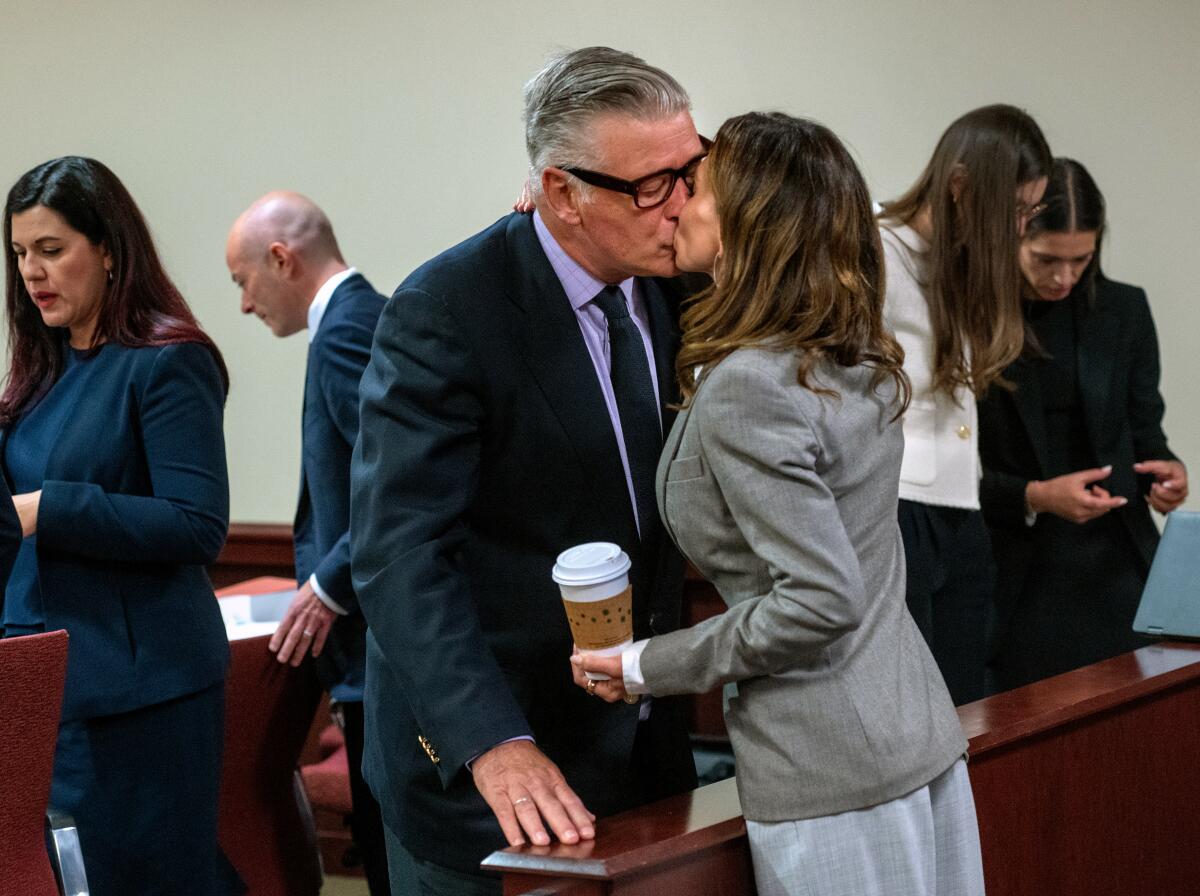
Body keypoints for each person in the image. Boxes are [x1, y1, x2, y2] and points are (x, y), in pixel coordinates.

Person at [573, 111, 983, 896]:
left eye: (696, 187)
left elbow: (818, 600)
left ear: (743, 226)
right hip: (911, 730)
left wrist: (642, 666)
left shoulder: (751, 384)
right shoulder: (846, 350)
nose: (677, 201)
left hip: (828, 762)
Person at [351, 46, 702, 894]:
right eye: (651, 185)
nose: (681, 206)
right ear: (560, 193)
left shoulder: (683, 283)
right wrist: (491, 743)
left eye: (691, 170)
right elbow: (399, 554)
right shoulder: (446, 311)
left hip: (647, 752)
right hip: (499, 768)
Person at [1, 156, 239, 895]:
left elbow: (197, 524)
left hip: (142, 694)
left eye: (51, 249)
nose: (31, 272)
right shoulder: (41, 369)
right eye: (18, 254)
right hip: (44, 679)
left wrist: (48, 508)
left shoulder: (167, 362)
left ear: (107, 248)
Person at [226, 191, 389, 893]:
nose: (243, 303)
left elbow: (392, 485)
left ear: (282, 259)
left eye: (242, 280)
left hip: (374, 647)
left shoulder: (348, 330)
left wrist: (327, 584)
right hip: (371, 650)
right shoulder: (361, 319)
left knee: (387, 855)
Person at [980, 158, 1188, 692]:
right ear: (1012, 237)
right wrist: (1034, 496)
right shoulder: (978, 318)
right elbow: (956, 476)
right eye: (1047, 259)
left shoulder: (1125, 309)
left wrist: (1168, 474)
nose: (1064, 278)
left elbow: (1146, 429)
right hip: (1017, 571)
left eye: (1081, 260)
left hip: (1118, 558)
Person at [877, 105, 1053, 704]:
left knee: (964, 706)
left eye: (1032, 211)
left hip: (960, 508)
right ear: (959, 187)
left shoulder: (963, 264)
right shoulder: (875, 250)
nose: (1023, 229)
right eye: (1017, 211)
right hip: (897, 507)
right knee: (912, 705)